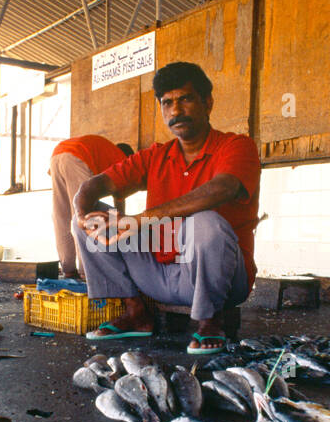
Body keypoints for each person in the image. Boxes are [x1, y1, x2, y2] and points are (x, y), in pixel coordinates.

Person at [72, 62, 260, 354]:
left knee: (205, 221)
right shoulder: (156, 155)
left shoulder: (237, 146)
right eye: (167, 103)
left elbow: (221, 189)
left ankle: (210, 321)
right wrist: (81, 211)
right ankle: (135, 312)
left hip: (222, 280)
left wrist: (138, 220)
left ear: (207, 102)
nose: (176, 110)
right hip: (159, 275)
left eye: (185, 99)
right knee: (89, 222)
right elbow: (95, 185)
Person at [49, 135, 134, 279]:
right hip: (77, 158)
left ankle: (68, 269)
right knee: (86, 216)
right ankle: (86, 272)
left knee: (61, 217)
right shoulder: (123, 159)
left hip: (57, 155)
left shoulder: (102, 150)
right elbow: (120, 197)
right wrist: (122, 221)